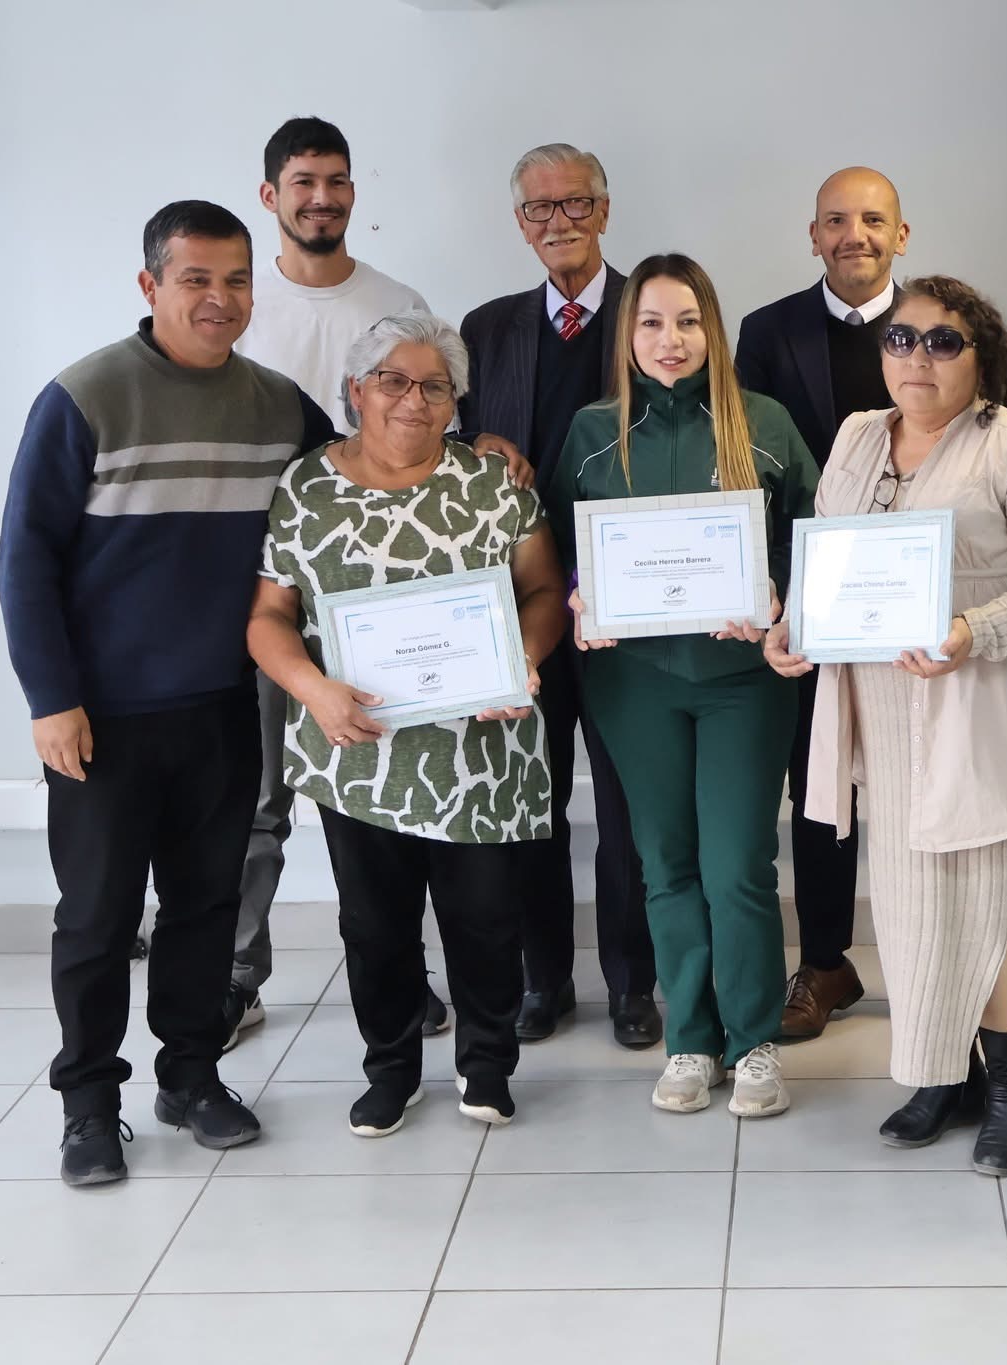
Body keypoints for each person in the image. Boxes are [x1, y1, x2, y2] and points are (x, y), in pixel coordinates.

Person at [0, 200, 333, 1186]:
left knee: (204, 907)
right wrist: (49, 697)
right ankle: (88, 1106)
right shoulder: (85, 396)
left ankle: (190, 1075)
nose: (219, 299)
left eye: (235, 280)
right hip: (101, 719)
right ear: (150, 286)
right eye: (196, 280)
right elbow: (25, 558)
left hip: (223, 707)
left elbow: (348, 493)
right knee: (97, 920)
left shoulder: (277, 407)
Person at [765, 277, 1007, 1176]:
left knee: (981, 913)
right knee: (911, 911)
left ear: (982, 354)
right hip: (880, 711)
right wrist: (791, 628)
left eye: (944, 341)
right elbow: (826, 557)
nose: (919, 357)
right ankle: (939, 1074)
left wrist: (973, 631)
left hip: (973, 706)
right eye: (902, 339)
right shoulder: (855, 436)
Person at [248, 313, 561, 1136]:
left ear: (456, 400)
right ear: (356, 391)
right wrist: (313, 688)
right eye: (393, 380)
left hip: (481, 751)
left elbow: (543, 591)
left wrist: (522, 659)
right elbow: (268, 617)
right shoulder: (306, 486)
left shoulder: (493, 483)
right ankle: (389, 1068)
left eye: (435, 386)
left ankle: (487, 1065)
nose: (413, 401)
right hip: (359, 754)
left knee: (487, 919)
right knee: (373, 922)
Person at [546, 253, 817, 1118]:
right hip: (633, 680)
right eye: (652, 323)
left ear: (714, 329)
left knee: (738, 861)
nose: (671, 340)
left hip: (744, 680)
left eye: (689, 322)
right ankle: (691, 1042)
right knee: (664, 862)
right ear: (627, 335)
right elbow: (556, 554)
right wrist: (583, 598)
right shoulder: (593, 432)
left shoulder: (764, 423)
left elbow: (813, 543)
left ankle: (755, 1040)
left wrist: (780, 597)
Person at [226, 115, 445, 1054]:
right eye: (303, 182)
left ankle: (404, 980)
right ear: (271, 195)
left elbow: (433, 419)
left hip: (384, 590)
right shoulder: (240, 307)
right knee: (258, 795)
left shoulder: (396, 301)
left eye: (338, 181)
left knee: (393, 787)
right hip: (263, 581)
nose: (323, 198)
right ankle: (236, 977)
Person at [458, 143, 660, 1050]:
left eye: (575, 204)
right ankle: (546, 982)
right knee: (532, 808)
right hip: (525, 605)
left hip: (630, 607)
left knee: (628, 811)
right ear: (519, 224)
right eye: (540, 210)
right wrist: (483, 450)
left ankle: (631, 985)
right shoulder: (485, 326)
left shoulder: (649, 312)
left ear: (605, 211)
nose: (559, 223)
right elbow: (450, 459)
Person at [735, 167, 910, 1041]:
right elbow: (750, 468)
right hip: (810, 599)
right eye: (837, 221)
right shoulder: (767, 333)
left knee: (921, 779)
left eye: (873, 219)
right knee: (819, 787)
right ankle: (828, 961)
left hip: (917, 596)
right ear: (814, 237)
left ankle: (930, 955)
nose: (856, 235)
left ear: (901, 235)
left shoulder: (939, 327)